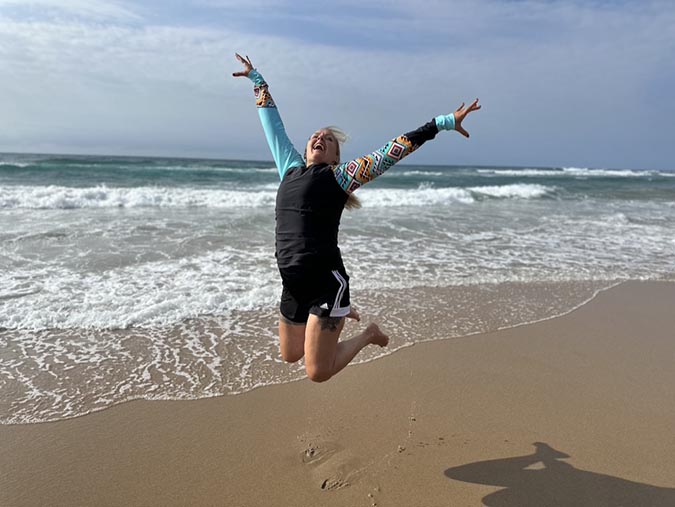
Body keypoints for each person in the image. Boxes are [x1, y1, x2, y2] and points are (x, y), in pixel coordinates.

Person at [233, 53, 480, 382]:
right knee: (290, 354)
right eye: (314, 137)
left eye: (329, 139)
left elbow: (396, 148)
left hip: (326, 283)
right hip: (292, 283)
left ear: (336, 156)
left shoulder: (341, 176)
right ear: (306, 150)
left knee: (317, 372)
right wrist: (257, 79)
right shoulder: (289, 168)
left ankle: (366, 333)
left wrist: (443, 122)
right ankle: (338, 314)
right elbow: (272, 125)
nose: (319, 138)